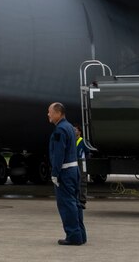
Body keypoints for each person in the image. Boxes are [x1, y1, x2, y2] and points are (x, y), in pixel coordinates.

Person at [48, 102, 86, 246]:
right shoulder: (70, 127)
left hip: (64, 172)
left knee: (66, 204)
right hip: (74, 170)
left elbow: (59, 154)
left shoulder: (60, 130)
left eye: (50, 112)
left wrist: (55, 173)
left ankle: (73, 236)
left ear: (58, 113)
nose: (48, 115)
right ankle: (81, 234)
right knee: (75, 203)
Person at [73, 125, 88, 209]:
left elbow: (87, 152)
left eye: (75, 130)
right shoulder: (71, 141)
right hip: (73, 162)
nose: (73, 131)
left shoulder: (83, 141)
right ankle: (75, 200)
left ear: (79, 132)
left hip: (81, 162)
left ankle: (82, 201)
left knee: (82, 181)